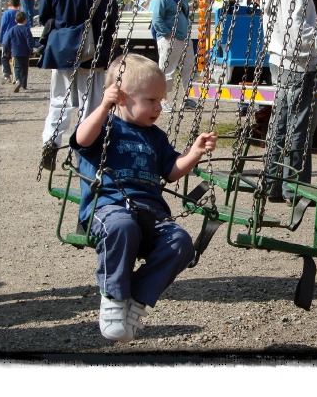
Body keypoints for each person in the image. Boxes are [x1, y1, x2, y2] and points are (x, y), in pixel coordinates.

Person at [69, 53, 218, 342]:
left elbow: (172, 172)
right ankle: (113, 297)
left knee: (181, 243)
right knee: (122, 226)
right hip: (108, 208)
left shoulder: (156, 137)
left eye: (161, 100)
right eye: (151, 100)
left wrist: (194, 154)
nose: (159, 107)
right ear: (122, 98)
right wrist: (103, 106)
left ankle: (137, 298)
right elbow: (81, 140)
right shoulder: (105, 128)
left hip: (151, 213)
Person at [256, 0, 317, 206]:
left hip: (279, 58)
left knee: (281, 122)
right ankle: (296, 189)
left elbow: (288, 23)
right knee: (300, 125)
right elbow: (296, 26)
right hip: (299, 62)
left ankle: (273, 184)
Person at [38, 0, 118, 170]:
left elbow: (45, 15)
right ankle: (85, 150)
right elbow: (111, 22)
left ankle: (51, 141)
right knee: (90, 106)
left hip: (63, 49)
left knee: (58, 99)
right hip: (92, 53)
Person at [151, 0, 197, 113]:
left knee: (188, 68)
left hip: (184, 38)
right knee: (167, 70)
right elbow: (157, 19)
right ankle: (163, 100)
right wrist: (167, 33)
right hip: (170, 39)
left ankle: (187, 98)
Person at [1, 11, 34, 93]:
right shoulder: (27, 30)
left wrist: (6, 51)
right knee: (25, 68)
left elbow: (6, 42)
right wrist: (31, 51)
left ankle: (17, 80)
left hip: (15, 52)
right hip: (25, 52)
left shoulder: (12, 30)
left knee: (17, 67)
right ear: (25, 20)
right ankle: (24, 84)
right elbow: (29, 41)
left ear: (15, 20)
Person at [0, 0, 20, 84]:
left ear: (9, 4)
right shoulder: (21, 13)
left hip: (7, 37)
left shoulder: (6, 13)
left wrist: (0, 38)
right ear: (19, 4)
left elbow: (3, 27)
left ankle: (6, 75)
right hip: (17, 38)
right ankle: (17, 77)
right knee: (16, 57)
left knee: (4, 57)